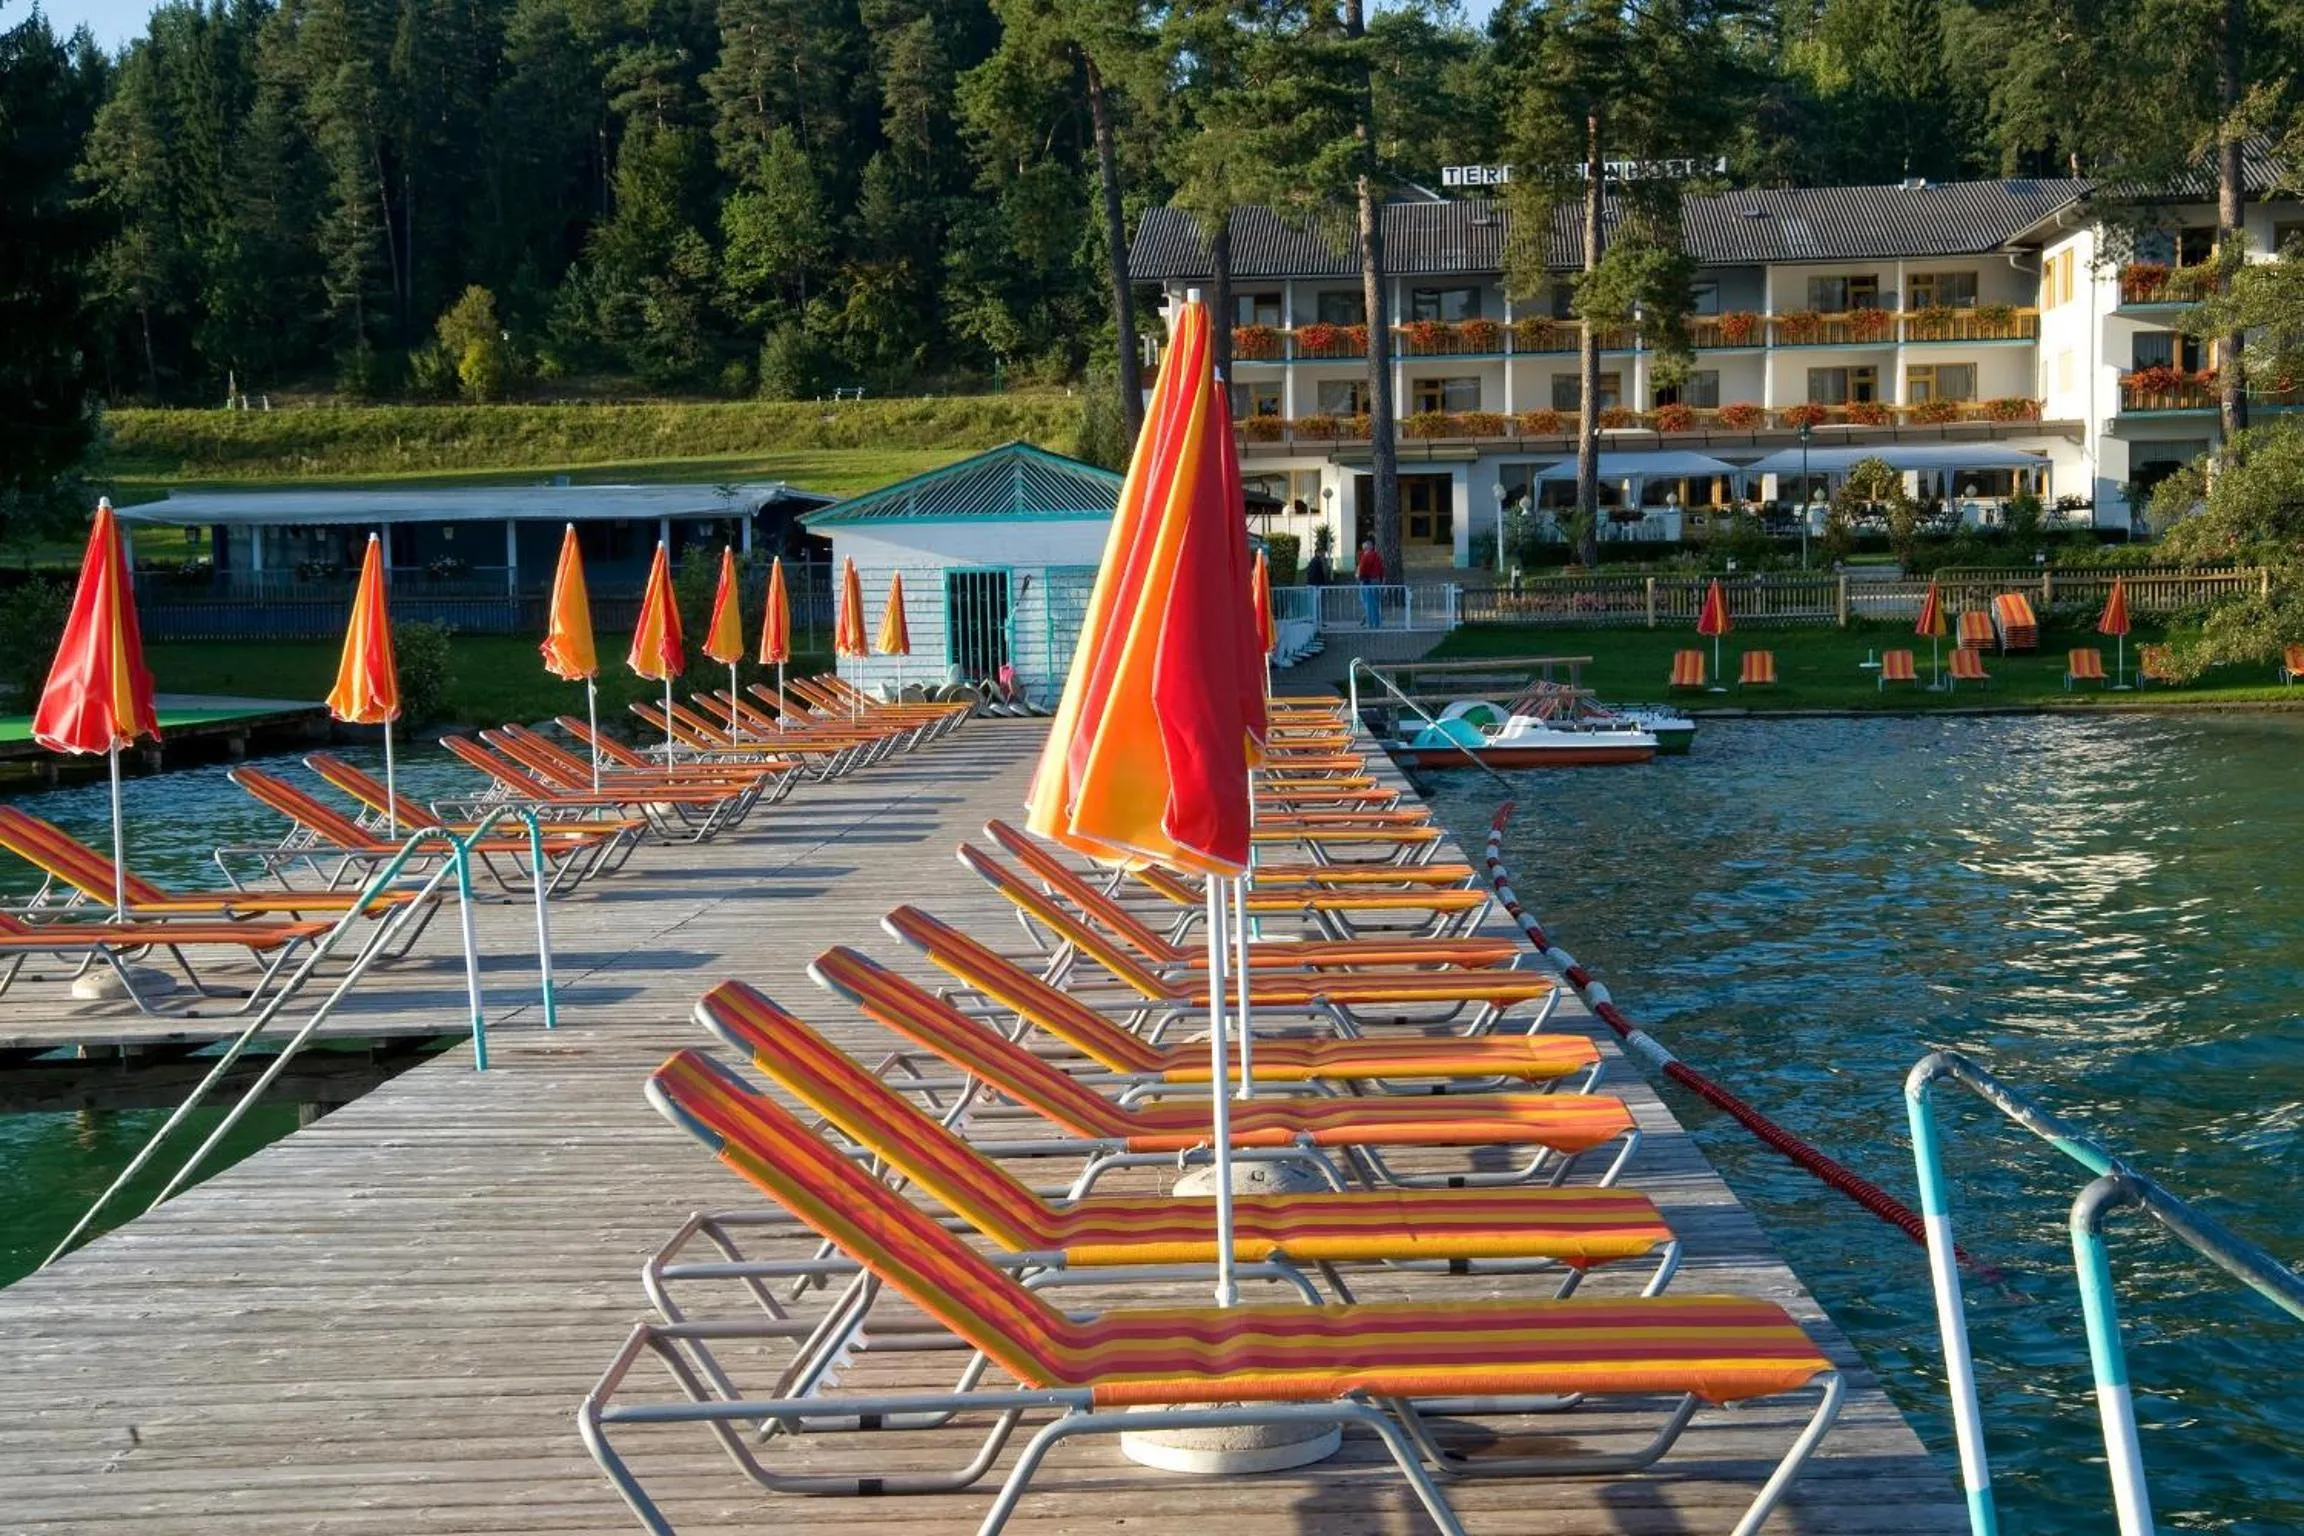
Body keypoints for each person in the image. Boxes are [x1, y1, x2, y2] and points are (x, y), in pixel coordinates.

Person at [1355, 537, 1384, 628]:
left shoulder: (1366, 556)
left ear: (1367, 547)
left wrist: (1359, 578)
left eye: (1364, 548)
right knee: (1375, 603)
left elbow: (1362, 569)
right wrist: (1381, 579)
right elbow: (1381, 569)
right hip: (1376, 581)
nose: (1363, 549)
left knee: (1368, 603)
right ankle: (1377, 623)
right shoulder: (1376, 556)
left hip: (1367, 581)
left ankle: (1371, 624)